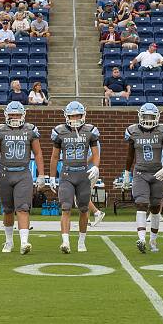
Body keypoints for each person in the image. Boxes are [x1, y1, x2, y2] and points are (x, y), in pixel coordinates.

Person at [0, 102, 45, 254]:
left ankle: (24, 242)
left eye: (17, 115)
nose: (14, 117)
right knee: (7, 210)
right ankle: (9, 241)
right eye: (12, 115)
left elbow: (38, 153)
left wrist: (41, 175)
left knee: (23, 208)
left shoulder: (30, 130)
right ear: (6, 115)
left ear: (23, 115)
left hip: (23, 173)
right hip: (5, 174)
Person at [49, 101, 100, 253]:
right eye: (72, 115)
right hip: (67, 174)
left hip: (83, 174)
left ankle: (81, 241)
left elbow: (95, 153)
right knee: (66, 208)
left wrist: (96, 166)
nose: (75, 118)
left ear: (83, 115)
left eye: (78, 115)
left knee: (84, 209)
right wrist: (52, 177)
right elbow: (54, 156)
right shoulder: (60, 131)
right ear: (67, 116)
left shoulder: (90, 131)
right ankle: (65, 241)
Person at [125, 103, 163, 254]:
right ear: (140, 116)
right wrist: (127, 172)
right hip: (140, 172)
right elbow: (130, 155)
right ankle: (141, 238)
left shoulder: (162, 131)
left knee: (154, 207)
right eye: (145, 116)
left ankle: (153, 239)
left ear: (157, 117)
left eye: (151, 117)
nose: (147, 120)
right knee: (141, 203)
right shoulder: (133, 132)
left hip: (157, 172)